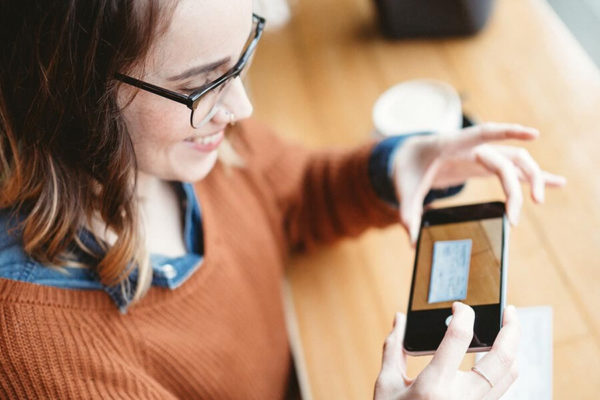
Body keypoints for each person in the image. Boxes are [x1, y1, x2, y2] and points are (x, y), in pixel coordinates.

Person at [0, 0, 565, 399]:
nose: (242, 107)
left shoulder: (195, 144)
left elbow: (292, 195)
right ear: (70, 90)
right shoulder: (35, 357)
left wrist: (398, 166)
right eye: (202, 82)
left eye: (242, 54)